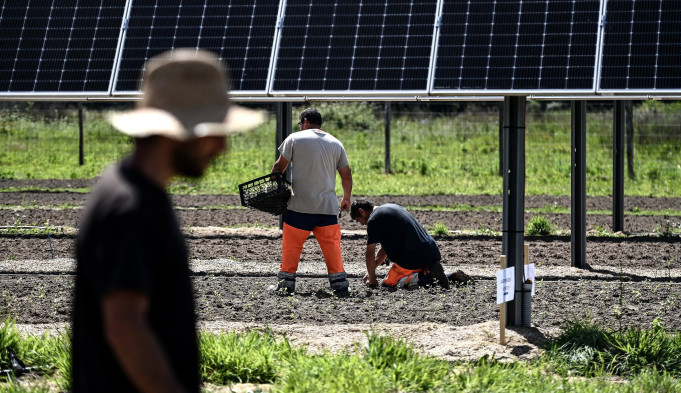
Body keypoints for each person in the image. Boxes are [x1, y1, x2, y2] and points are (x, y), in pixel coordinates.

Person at [72, 49, 264, 393]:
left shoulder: (131, 190)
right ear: (176, 132)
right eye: (212, 129)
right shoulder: (130, 208)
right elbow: (125, 326)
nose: (222, 146)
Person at [270, 108, 353, 296]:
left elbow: (278, 168)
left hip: (299, 206)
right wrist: (346, 197)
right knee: (332, 247)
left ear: (305, 121)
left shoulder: (294, 139)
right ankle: (340, 285)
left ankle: (286, 284)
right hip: (327, 209)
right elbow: (346, 174)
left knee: (291, 247)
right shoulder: (336, 143)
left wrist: (273, 188)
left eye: (300, 124)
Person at [350, 199, 473, 290]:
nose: (361, 224)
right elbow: (384, 250)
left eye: (358, 220)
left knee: (389, 284)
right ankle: (448, 275)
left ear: (361, 212)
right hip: (431, 250)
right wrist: (371, 270)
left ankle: (427, 277)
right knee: (414, 271)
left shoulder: (373, 220)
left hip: (413, 258)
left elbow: (369, 255)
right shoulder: (390, 207)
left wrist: (373, 281)